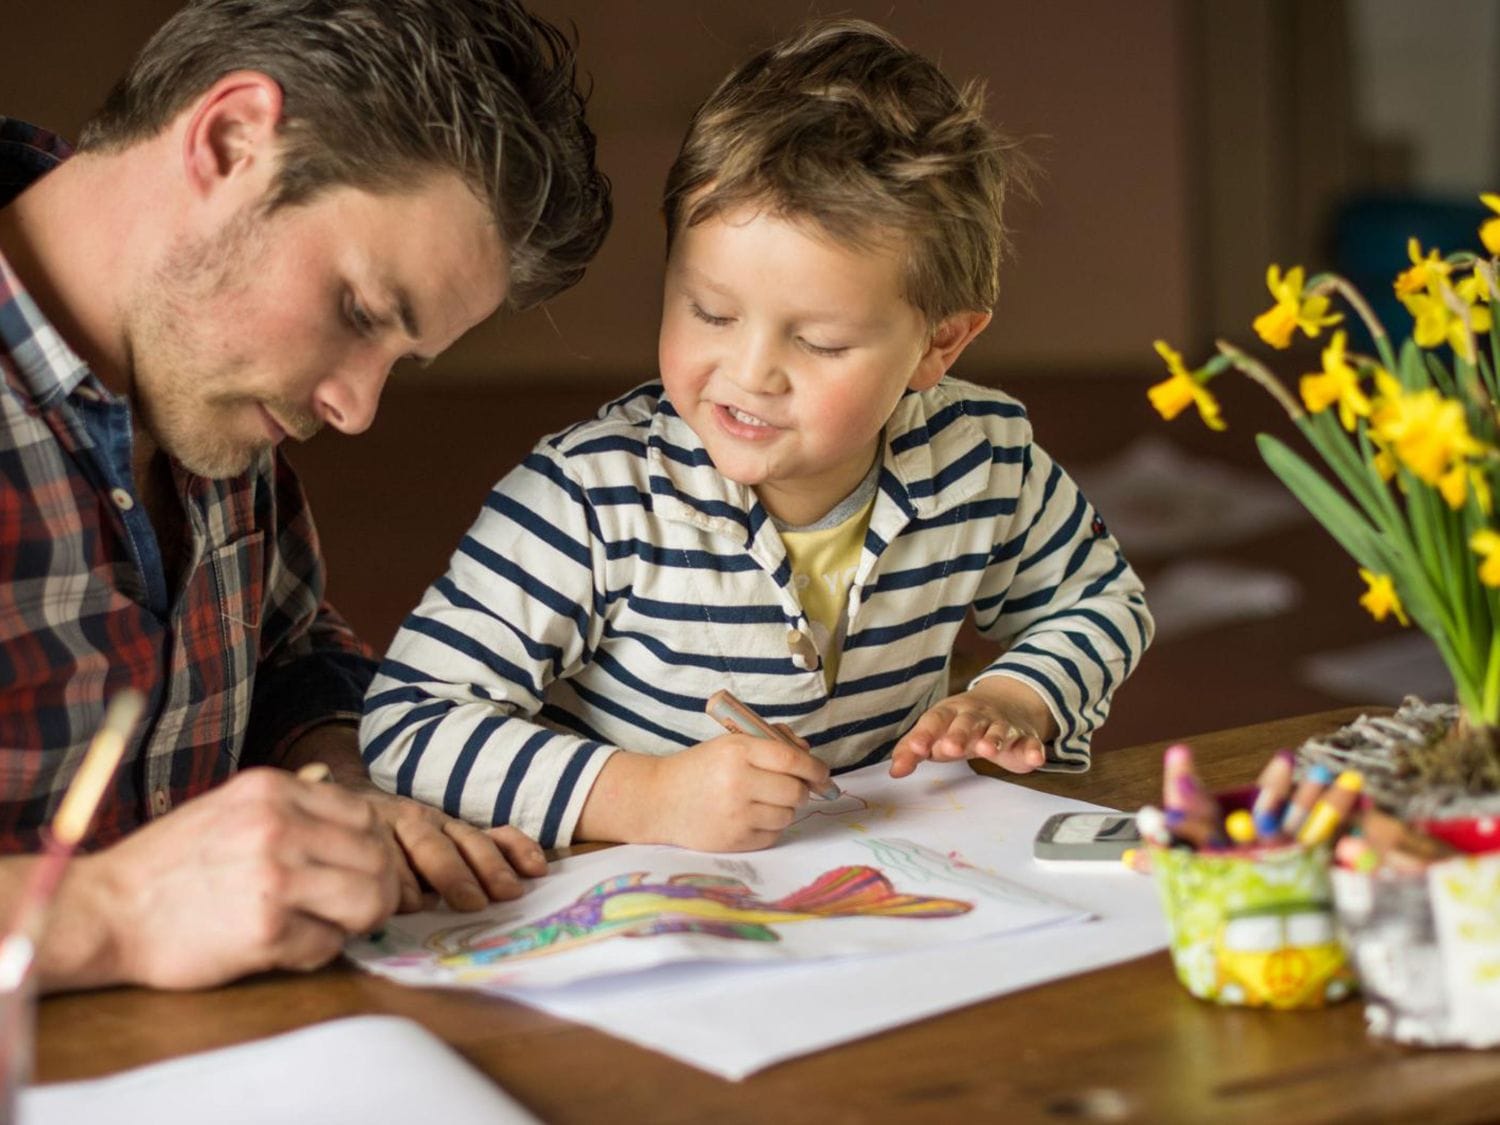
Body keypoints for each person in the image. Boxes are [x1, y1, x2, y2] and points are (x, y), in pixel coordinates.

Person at [362, 18, 1152, 853]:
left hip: (884, 889)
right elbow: (407, 722)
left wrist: (1022, 695)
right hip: (652, 910)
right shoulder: (588, 497)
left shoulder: (983, 456)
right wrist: (645, 796)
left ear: (940, 344)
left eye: (818, 341)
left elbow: (1100, 600)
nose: (751, 371)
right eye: (710, 311)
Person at [0, 0, 611, 990]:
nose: (357, 406)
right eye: (359, 312)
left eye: (398, 360)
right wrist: (115, 913)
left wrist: (335, 780)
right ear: (232, 140)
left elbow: (285, 652)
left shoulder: (197, 380)